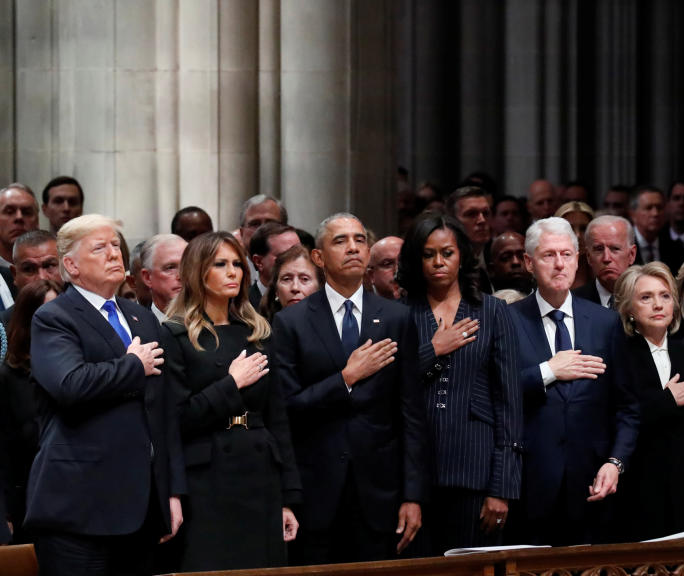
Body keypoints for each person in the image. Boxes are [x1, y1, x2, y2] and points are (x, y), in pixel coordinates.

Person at [26, 214, 185, 575]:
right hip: (77, 507)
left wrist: (171, 492)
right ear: (71, 265)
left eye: (116, 245)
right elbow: (69, 384)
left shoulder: (140, 317)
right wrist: (131, 365)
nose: (115, 254)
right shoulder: (54, 317)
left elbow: (162, 411)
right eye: (100, 248)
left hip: (141, 507)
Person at [270, 212, 427, 564]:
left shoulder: (396, 317)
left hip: (380, 491)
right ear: (319, 257)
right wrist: (345, 379)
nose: (353, 247)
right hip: (315, 490)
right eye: (340, 241)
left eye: (359, 240)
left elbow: (411, 414)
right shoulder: (290, 322)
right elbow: (286, 410)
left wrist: (413, 495)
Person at [161, 232, 300, 571]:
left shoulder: (258, 331)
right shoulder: (176, 333)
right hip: (207, 481)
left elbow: (277, 418)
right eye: (221, 264)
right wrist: (232, 384)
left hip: (260, 474)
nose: (233, 272)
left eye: (237, 264)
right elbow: (175, 421)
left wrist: (288, 499)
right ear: (198, 272)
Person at [508, 217, 639, 546]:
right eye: (548, 255)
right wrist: (549, 371)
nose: (559, 264)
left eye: (566, 254)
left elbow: (627, 406)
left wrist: (615, 462)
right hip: (529, 483)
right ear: (529, 263)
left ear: (578, 259)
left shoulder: (606, 323)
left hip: (593, 483)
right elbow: (496, 393)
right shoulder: (506, 320)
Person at [396, 213, 522, 552]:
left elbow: (509, 404)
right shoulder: (399, 312)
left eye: (447, 253)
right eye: (428, 254)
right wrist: (433, 349)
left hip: (476, 472)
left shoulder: (492, 311)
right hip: (411, 475)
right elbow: (390, 386)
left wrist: (502, 487)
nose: (438, 262)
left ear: (462, 255)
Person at [611, 263, 684, 540]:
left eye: (664, 296)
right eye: (646, 297)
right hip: (642, 492)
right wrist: (667, 400)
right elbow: (619, 420)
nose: (658, 304)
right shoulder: (619, 356)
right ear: (629, 309)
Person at [0, 279, 62, 543]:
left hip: (85, 501)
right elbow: (3, 456)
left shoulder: (85, 368)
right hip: (30, 506)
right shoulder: (7, 378)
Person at [573, 215, 637, 309]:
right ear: (589, 257)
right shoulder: (574, 302)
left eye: (615, 249)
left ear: (632, 254)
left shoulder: (648, 297)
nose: (606, 258)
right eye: (599, 249)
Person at [259, 245, 322, 323]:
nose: (295, 287)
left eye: (304, 279)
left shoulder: (335, 329)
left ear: (319, 287)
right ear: (276, 290)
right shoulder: (259, 331)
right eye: (287, 279)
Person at [630, 185, 684, 273]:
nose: (655, 213)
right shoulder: (624, 247)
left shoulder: (675, 248)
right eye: (648, 208)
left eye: (659, 208)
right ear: (633, 214)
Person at [248, 222, 300, 309]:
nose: (296, 262)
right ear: (259, 262)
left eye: (298, 255)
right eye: (285, 255)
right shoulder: (240, 308)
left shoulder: (314, 302)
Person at [140, 234, 187, 323]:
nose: (181, 276)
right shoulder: (136, 327)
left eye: (187, 265)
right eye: (170, 268)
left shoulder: (214, 320)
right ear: (147, 278)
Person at [555, 201, 595, 290]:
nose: (577, 235)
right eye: (569, 228)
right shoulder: (544, 277)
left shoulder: (602, 277)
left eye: (583, 228)